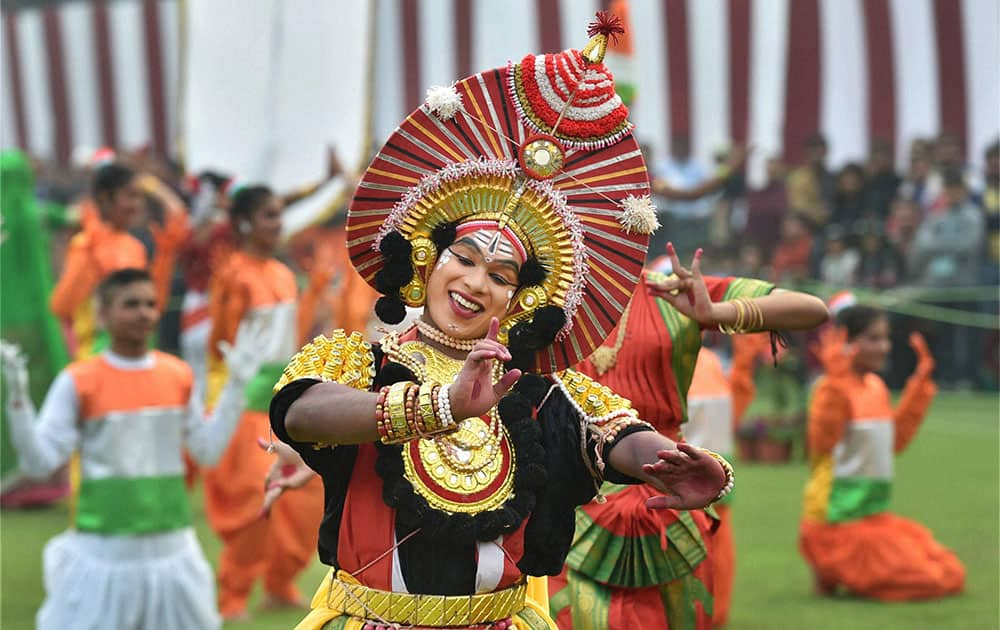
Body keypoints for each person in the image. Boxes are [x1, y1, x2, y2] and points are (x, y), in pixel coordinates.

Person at [266, 14, 741, 629]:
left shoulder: (539, 390)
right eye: (462, 259)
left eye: (499, 276)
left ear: (517, 300)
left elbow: (614, 432)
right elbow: (300, 410)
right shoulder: (358, 361)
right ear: (426, 260)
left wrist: (674, 461)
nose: (472, 283)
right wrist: (439, 405)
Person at [549, 245, 828, 629]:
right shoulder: (548, 295)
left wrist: (716, 313)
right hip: (576, 498)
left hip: (668, 493)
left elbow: (810, 308)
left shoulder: (668, 292)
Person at [0, 268, 266, 630]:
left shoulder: (177, 375)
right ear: (103, 313)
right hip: (104, 553)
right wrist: (18, 401)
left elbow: (207, 451)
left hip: (173, 550)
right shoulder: (79, 381)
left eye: (150, 303)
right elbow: (38, 463)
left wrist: (236, 388)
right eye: (131, 304)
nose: (144, 313)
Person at [201, 184, 329, 621]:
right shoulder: (234, 274)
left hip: (285, 397)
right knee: (256, 496)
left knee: (309, 491)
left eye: (279, 215)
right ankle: (233, 595)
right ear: (243, 223)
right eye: (269, 216)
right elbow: (220, 343)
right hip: (246, 403)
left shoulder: (280, 272)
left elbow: (292, 336)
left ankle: (279, 582)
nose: (278, 224)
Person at [800, 304, 964, 600]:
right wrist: (836, 386)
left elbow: (893, 444)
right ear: (845, 342)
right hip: (838, 518)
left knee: (948, 570)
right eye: (873, 338)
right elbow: (821, 442)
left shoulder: (876, 387)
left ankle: (836, 572)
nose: (884, 347)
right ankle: (830, 565)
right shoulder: (828, 388)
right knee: (928, 581)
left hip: (874, 516)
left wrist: (919, 388)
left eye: (885, 338)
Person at [50, 161, 188, 359]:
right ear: (105, 199)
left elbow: (155, 301)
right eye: (130, 196)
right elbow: (62, 306)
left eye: (140, 197)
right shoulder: (86, 245)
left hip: (139, 347)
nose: (138, 204)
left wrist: (152, 185)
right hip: (100, 353)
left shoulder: (134, 246)